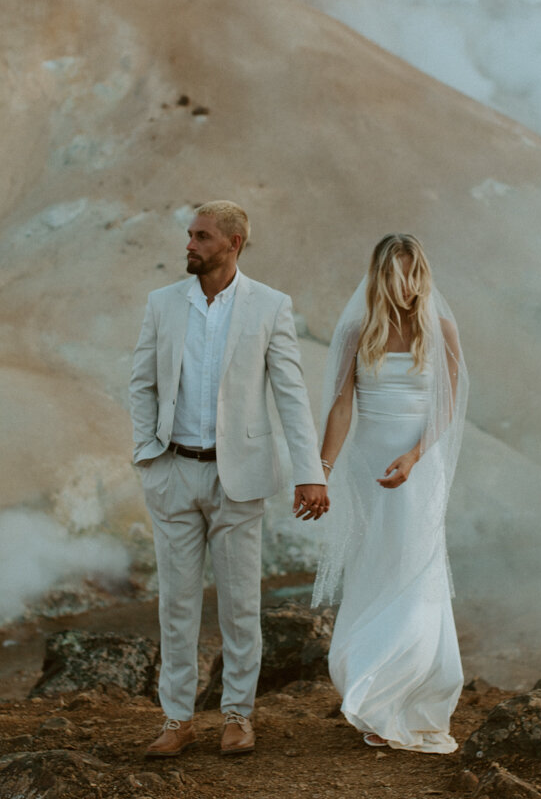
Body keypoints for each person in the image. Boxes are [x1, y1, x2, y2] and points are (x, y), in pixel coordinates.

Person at [130, 200, 329, 758]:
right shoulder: (162, 303)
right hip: (173, 473)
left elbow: (291, 394)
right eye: (189, 235)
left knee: (240, 605)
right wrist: (149, 452)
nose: (189, 244)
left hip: (238, 477)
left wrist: (310, 473)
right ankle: (176, 720)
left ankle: (238, 715)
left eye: (201, 236)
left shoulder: (270, 306)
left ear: (233, 243)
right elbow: (140, 382)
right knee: (176, 604)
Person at [312, 233, 468, 752]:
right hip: (366, 468)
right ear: (380, 277)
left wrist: (416, 456)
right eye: (397, 275)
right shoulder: (358, 331)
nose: (407, 286)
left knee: (415, 570)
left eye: (414, 274)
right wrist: (323, 469)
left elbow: (446, 407)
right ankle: (374, 695)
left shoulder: (440, 330)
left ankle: (411, 695)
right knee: (375, 568)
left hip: (420, 466)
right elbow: (340, 406)